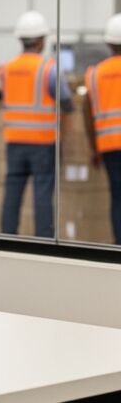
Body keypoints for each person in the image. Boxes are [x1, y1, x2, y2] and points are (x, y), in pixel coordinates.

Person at [0, 11, 73, 238]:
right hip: (42, 142)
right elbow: (66, 101)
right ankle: (43, 241)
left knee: (12, 191)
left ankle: (7, 237)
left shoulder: (5, 69)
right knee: (42, 194)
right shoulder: (50, 69)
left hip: (14, 141)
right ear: (41, 40)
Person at [83, 13, 121, 244]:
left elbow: (87, 114)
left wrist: (93, 148)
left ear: (108, 43)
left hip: (108, 147)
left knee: (118, 197)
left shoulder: (94, 74)